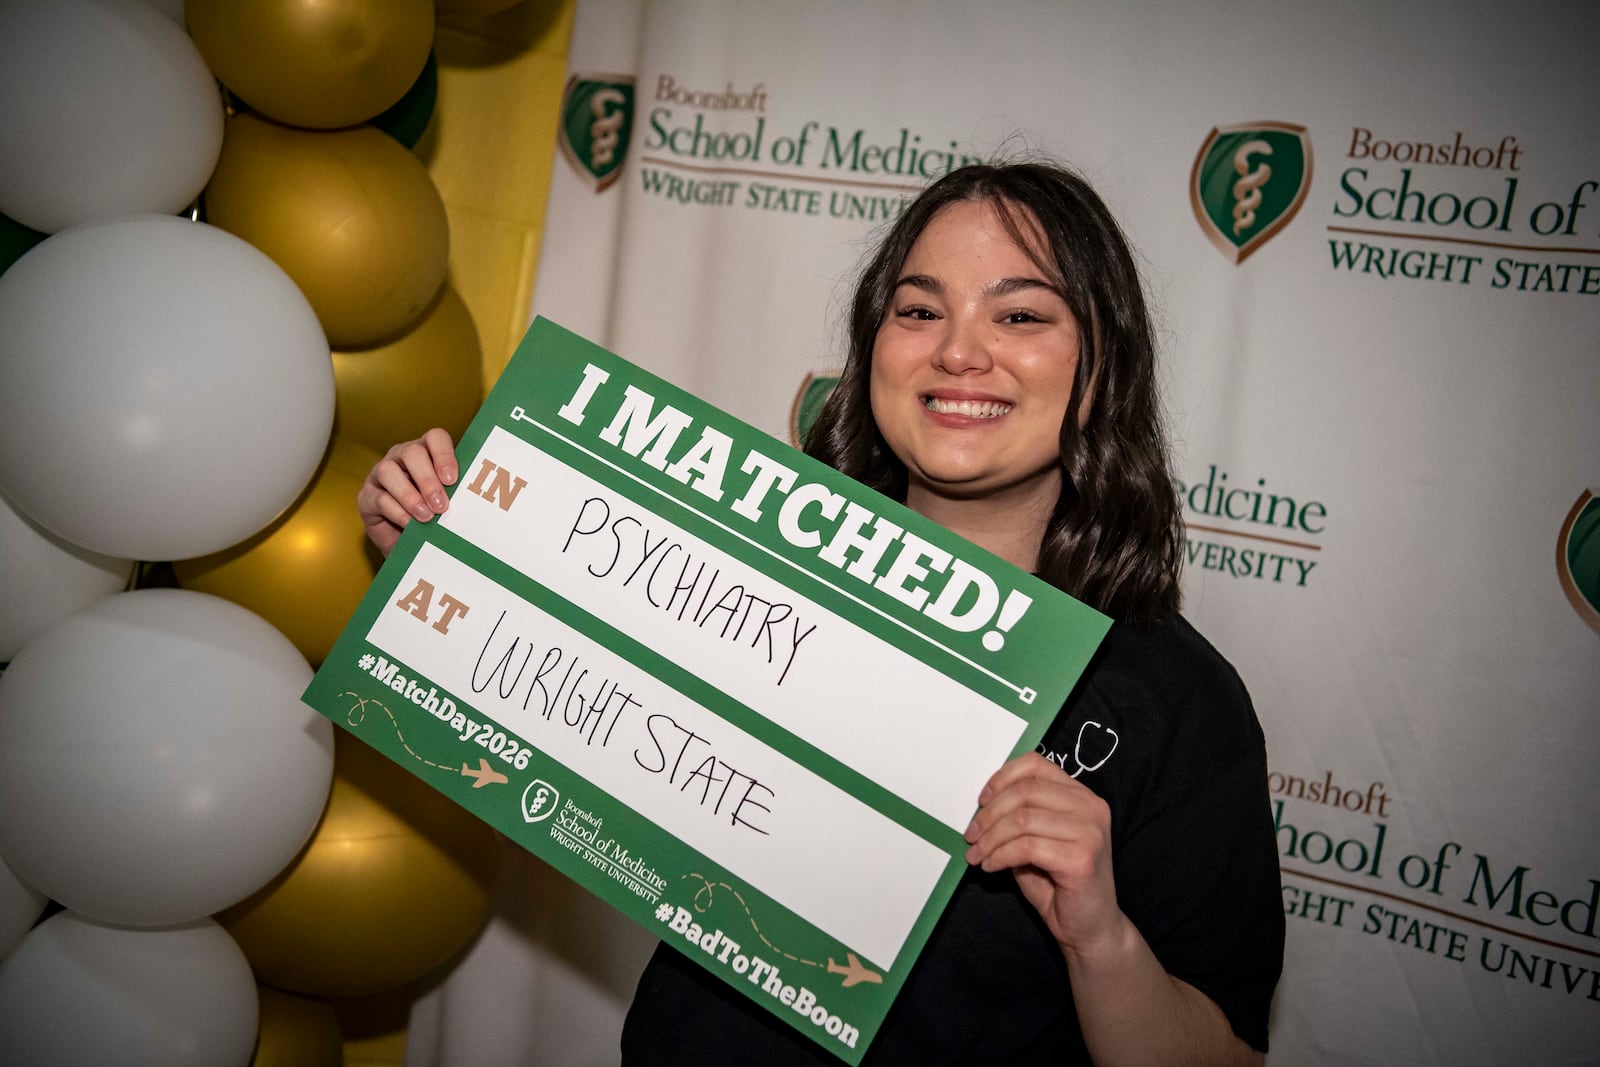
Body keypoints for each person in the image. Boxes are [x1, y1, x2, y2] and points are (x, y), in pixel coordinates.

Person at [358, 161, 1284, 1064]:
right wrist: (451, 551)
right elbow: (562, 703)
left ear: (1100, 363)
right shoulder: (746, 580)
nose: (959, 352)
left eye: (1020, 314)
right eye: (919, 310)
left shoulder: (1177, 699)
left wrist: (1102, 936)